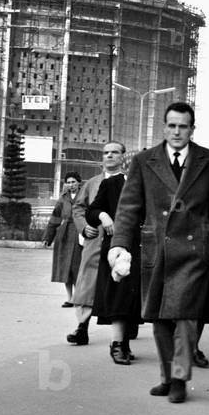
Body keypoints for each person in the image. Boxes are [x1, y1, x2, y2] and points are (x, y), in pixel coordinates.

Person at [108, 102, 209, 404]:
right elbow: (129, 207)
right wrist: (119, 244)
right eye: (172, 126)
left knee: (186, 317)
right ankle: (167, 377)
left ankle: (179, 378)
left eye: (183, 126)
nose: (177, 132)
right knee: (160, 318)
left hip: (194, 249)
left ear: (192, 129)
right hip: (157, 247)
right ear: (164, 128)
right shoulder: (144, 161)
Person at [67, 142, 127, 346]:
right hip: (95, 241)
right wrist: (84, 227)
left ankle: (124, 332)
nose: (109, 156)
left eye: (114, 152)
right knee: (87, 284)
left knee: (120, 283)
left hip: (120, 242)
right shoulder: (92, 183)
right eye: (106, 153)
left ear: (122, 157)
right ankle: (81, 328)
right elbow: (78, 208)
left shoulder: (129, 182)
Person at [83, 155, 141, 364]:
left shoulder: (151, 187)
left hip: (144, 247)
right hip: (118, 247)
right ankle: (117, 344)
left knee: (134, 297)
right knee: (119, 294)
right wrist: (103, 215)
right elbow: (91, 211)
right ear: (125, 167)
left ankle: (124, 343)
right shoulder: (112, 184)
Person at [44, 172, 83, 306]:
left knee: (77, 266)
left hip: (80, 233)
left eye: (73, 182)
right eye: (68, 182)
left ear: (79, 182)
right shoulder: (63, 199)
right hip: (65, 234)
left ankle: (79, 297)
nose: (71, 185)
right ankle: (69, 298)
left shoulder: (85, 196)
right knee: (66, 266)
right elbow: (55, 218)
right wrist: (48, 237)